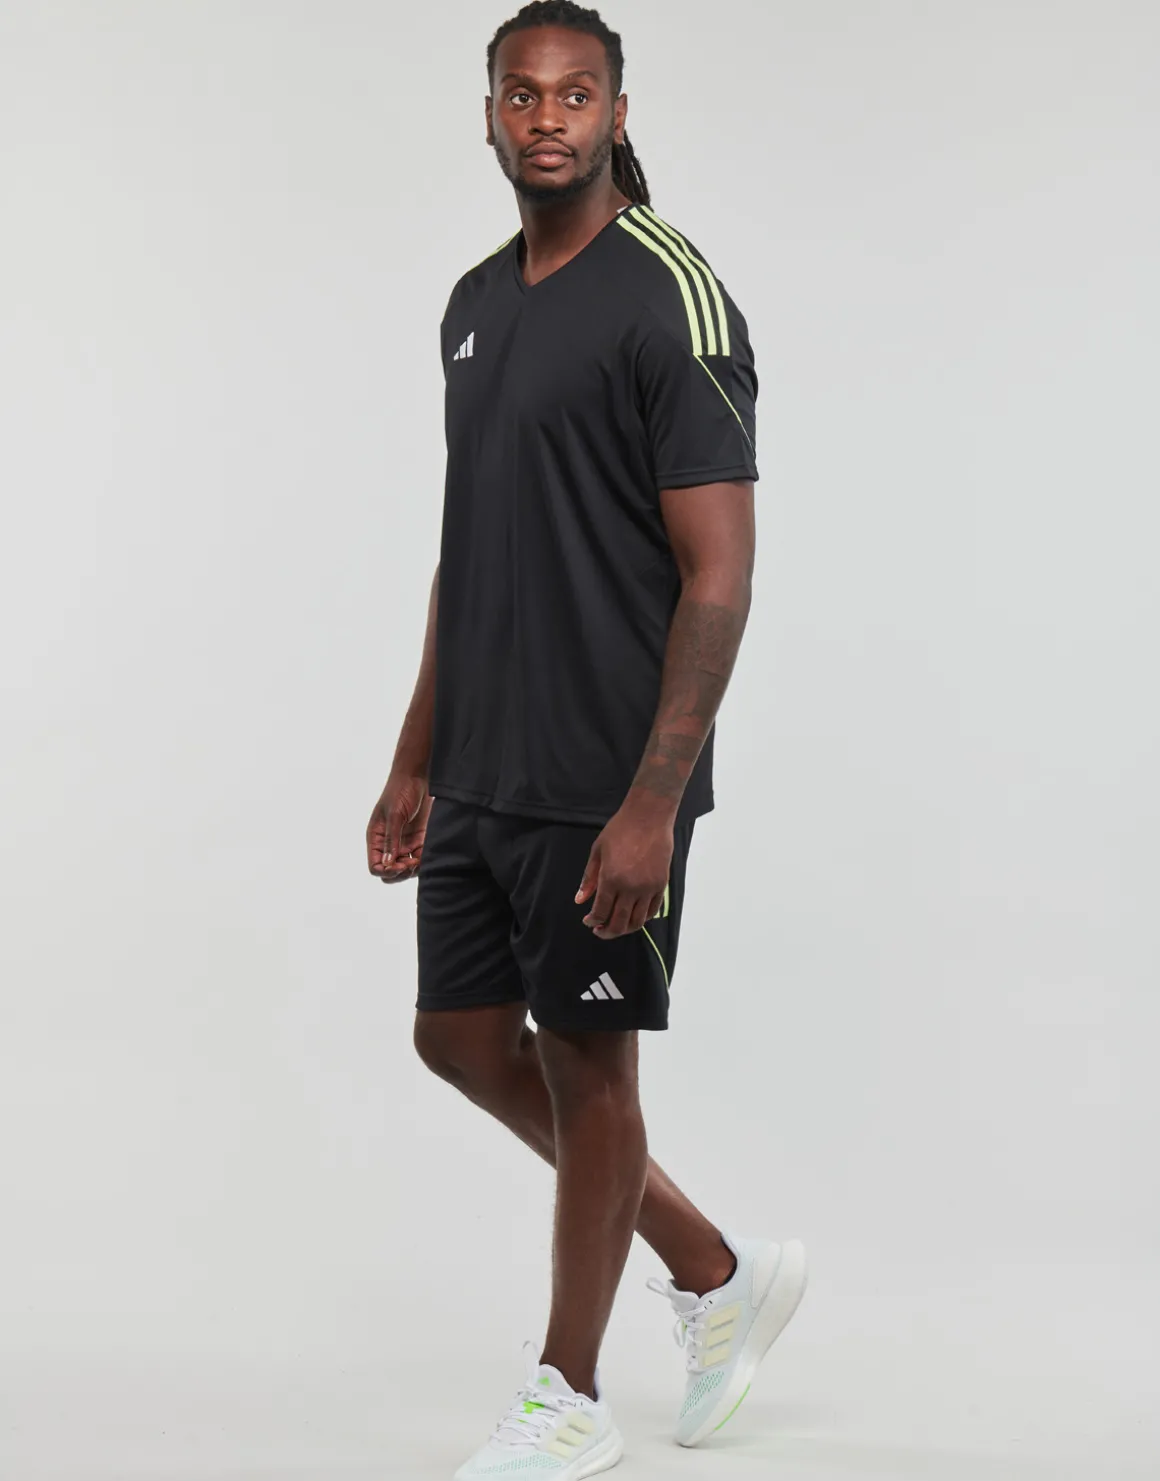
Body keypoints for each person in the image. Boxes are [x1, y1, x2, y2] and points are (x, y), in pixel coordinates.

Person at [366, 3, 807, 1475]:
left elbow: (721, 575)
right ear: (490, 114)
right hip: (483, 762)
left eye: (575, 94)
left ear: (618, 113)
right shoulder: (473, 303)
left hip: (605, 777)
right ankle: (715, 1270)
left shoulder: (672, 298)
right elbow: (470, 549)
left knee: (589, 1070)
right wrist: (415, 756)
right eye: (522, 94)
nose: (546, 117)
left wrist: (652, 805)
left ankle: (567, 1393)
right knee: (457, 1040)